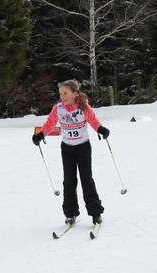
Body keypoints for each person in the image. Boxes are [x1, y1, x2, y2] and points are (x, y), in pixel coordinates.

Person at [32, 80, 110, 225]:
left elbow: (93, 121)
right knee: (69, 181)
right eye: (60, 93)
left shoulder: (83, 106)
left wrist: (101, 129)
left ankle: (95, 213)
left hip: (83, 148)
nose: (62, 96)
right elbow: (50, 123)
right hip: (67, 148)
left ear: (75, 94)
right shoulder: (58, 108)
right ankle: (70, 213)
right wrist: (40, 135)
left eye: (65, 93)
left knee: (86, 179)